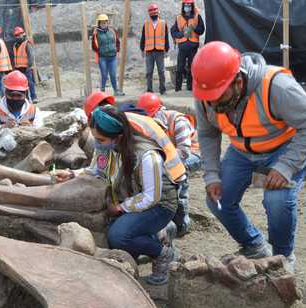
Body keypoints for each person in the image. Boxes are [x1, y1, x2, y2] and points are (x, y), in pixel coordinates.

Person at [191, 41, 306, 272]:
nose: (212, 104)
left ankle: (282, 258)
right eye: (208, 98)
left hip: (285, 147)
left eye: (218, 97)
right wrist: (212, 175)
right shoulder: (208, 94)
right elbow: (207, 134)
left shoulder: (275, 86)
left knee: (277, 201)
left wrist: (286, 166)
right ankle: (254, 246)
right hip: (242, 151)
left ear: (238, 81)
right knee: (218, 201)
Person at [56, 106, 185, 285]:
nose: (98, 144)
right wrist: (72, 174)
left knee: (118, 236)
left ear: (119, 137)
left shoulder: (147, 156)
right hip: (132, 198)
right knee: (115, 232)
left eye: (101, 139)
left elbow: (151, 196)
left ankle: (162, 253)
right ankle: (158, 233)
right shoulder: (107, 147)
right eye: (96, 138)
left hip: (160, 205)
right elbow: (96, 171)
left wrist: (120, 208)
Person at [137, 92, 200, 236]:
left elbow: (184, 152)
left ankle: (182, 219)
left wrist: (159, 160)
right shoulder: (152, 123)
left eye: (151, 117)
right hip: (170, 156)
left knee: (174, 174)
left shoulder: (178, 120)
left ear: (159, 111)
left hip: (195, 154)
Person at [170, 0, 205, 92]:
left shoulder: (197, 16)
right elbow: (173, 31)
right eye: (186, 6)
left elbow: (201, 30)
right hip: (182, 46)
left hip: (193, 46)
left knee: (192, 67)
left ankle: (190, 87)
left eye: (189, 6)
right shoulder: (178, 17)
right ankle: (178, 87)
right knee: (180, 67)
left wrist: (194, 28)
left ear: (192, 6)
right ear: (183, 6)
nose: (187, 7)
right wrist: (181, 34)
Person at [92, 14, 125, 97]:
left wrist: (116, 50)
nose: (104, 24)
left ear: (107, 23)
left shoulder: (112, 31)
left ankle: (116, 91)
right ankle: (102, 92)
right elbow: (94, 46)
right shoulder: (96, 33)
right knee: (104, 75)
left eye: (105, 22)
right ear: (99, 23)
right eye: (102, 22)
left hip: (112, 57)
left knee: (113, 74)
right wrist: (100, 52)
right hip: (102, 58)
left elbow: (117, 41)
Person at [140, 4, 170, 95]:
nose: (153, 14)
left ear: (157, 12)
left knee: (161, 71)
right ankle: (149, 90)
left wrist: (166, 49)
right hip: (149, 51)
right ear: (149, 14)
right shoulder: (146, 24)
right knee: (149, 72)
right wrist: (142, 49)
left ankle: (162, 89)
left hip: (160, 51)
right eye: (152, 12)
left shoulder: (163, 23)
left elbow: (166, 37)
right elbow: (143, 37)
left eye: (155, 12)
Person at [12, 26, 38, 103]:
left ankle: (34, 97)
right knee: (22, 85)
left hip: (26, 67)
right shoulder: (15, 45)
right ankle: (26, 99)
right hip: (19, 68)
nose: (17, 37)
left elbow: (31, 56)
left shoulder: (27, 44)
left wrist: (29, 66)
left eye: (19, 35)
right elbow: (15, 57)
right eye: (16, 35)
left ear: (23, 34)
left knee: (29, 82)